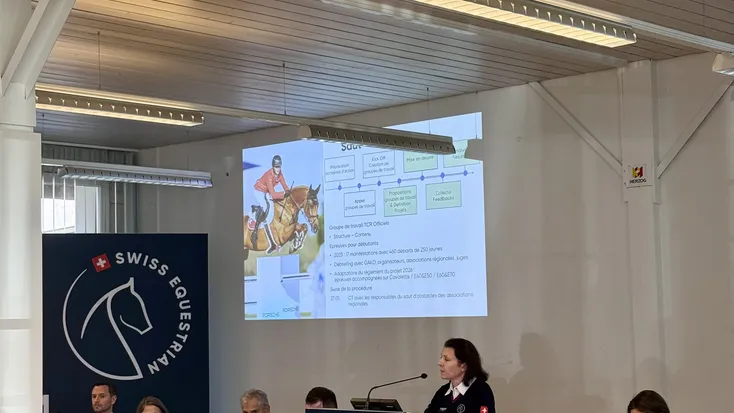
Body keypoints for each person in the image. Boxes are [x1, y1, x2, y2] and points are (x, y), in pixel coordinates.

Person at [424, 338, 496, 413]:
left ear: (464, 366)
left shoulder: (481, 391)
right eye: (441, 357)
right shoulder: (442, 392)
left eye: (447, 359)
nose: (440, 363)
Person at [250, 155, 290, 253]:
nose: (278, 169)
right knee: (266, 207)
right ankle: (254, 223)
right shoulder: (269, 176)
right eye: (276, 167)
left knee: (272, 207)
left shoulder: (280, 174)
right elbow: (274, 195)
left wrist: (289, 192)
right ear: (273, 167)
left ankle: (272, 243)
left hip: (266, 191)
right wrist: (284, 194)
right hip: (259, 191)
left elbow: (285, 187)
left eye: (279, 167)